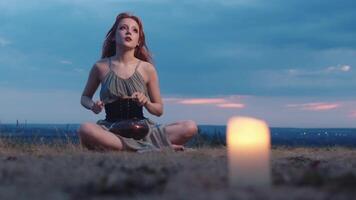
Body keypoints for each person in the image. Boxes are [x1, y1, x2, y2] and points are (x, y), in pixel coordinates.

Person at [78, 12, 198, 152]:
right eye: (123, 28)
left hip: (143, 131)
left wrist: (146, 102)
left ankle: (135, 148)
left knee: (190, 127)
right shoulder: (100, 67)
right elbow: (84, 97)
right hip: (111, 130)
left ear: (139, 40)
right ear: (113, 37)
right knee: (85, 129)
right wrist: (93, 105)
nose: (129, 32)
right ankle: (151, 149)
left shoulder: (147, 69)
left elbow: (159, 110)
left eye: (134, 30)